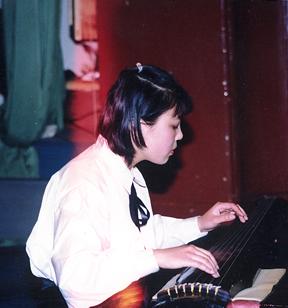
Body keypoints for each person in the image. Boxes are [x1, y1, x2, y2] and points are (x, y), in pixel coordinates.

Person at [26, 64, 248, 308]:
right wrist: (156, 258)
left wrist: (199, 224)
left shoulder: (128, 172)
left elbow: (142, 235)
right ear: (140, 124)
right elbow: (75, 280)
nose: (180, 135)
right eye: (174, 125)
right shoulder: (83, 181)